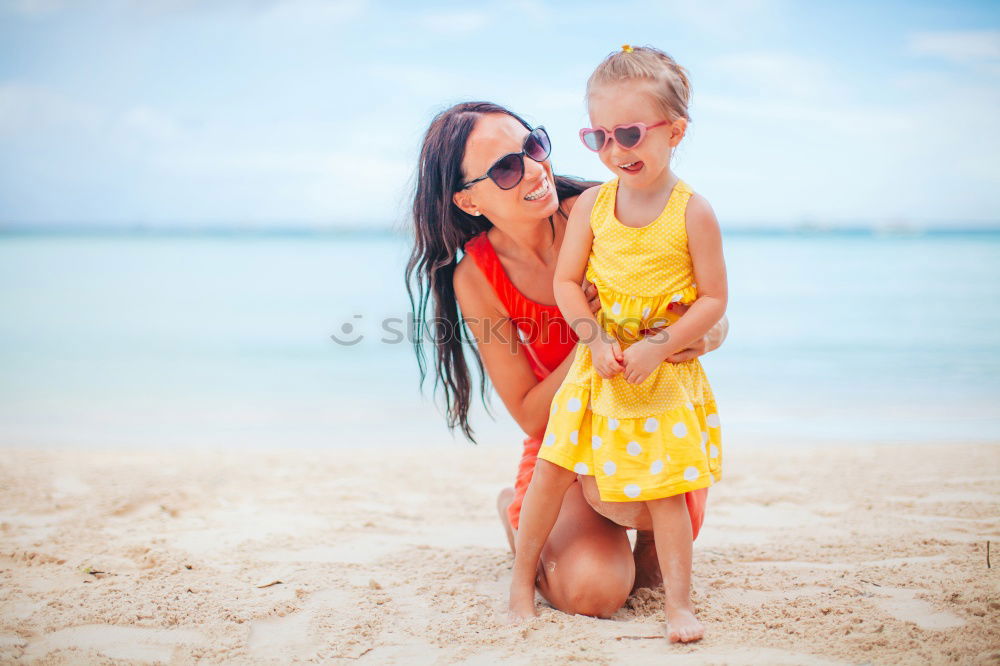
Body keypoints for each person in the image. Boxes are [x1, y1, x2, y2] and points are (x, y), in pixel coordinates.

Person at [405, 96, 730, 621]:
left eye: (533, 146)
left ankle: (626, 542)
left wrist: (706, 334)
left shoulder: (606, 209)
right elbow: (532, 415)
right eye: (507, 168)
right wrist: (589, 341)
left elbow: (700, 298)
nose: (535, 169)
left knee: (650, 570)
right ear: (467, 201)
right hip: (567, 433)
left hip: (647, 415)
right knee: (593, 594)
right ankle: (521, 512)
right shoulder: (477, 278)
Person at [505, 46, 728, 644]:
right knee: (554, 469)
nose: (614, 151)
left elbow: (712, 300)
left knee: (665, 494)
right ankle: (522, 581)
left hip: (660, 372)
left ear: (675, 131)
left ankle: (678, 604)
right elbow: (567, 284)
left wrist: (661, 345)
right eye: (597, 136)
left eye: (629, 133)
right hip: (596, 367)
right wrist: (594, 338)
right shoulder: (596, 207)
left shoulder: (692, 212)